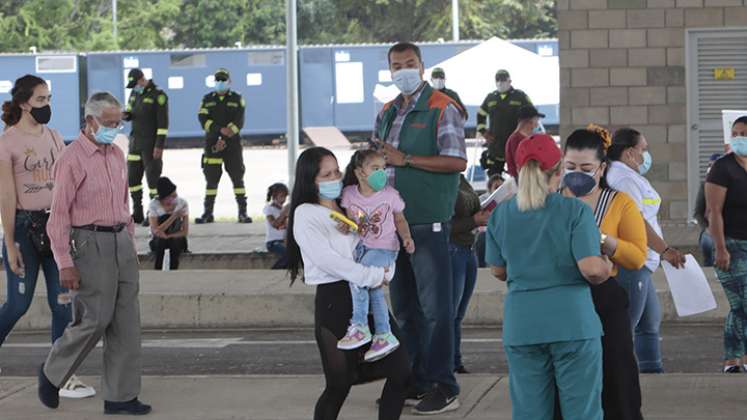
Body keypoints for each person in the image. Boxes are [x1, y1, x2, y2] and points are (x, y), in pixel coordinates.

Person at [38, 92, 150, 415]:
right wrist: (64, 263)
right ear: (90, 120)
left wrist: (130, 243)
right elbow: (57, 216)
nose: (114, 129)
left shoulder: (116, 155)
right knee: (94, 318)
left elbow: (124, 204)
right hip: (90, 242)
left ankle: (121, 396)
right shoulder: (71, 159)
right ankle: (52, 373)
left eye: (118, 123)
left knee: (127, 323)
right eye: (109, 123)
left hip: (120, 242)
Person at [486, 133, 611, 420]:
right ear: (558, 172)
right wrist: (606, 263)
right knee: (583, 413)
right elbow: (591, 269)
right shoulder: (574, 210)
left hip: (522, 325)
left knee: (529, 412)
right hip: (572, 324)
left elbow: (498, 270)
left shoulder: (501, 215)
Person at [374, 41, 467, 415]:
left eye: (409, 64)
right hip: (392, 226)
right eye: (397, 65)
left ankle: (444, 385)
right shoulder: (386, 111)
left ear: (423, 66)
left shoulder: (442, 108)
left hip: (427, 221)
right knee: (406, 310)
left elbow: (457, 161)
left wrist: (406, 159)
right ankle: (413, 379)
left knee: (435, 309)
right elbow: (378, 160)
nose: (403, 71)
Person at [285, 147, 410, 420]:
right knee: (339, 385)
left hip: (368, 294)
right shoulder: (307, 213)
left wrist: (386, 268)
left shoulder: (348, 204)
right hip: (336, 299)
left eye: (337, 171)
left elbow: (380, 237)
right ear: (310, 180)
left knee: (402, 371)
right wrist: (375, 276)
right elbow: (329, 260)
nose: (335, 178)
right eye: (326, 174)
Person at [0, 75, 95, 399]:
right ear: (25, 103)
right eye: (41, 100)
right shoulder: (8, 142)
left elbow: (68, 182)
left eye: (49, 99)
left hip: (56, 230)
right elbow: (7, 196)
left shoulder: (55, 137)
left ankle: (61, 376)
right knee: (18, 305)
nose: (47, 106)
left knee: (63, 305)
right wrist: (10, 243)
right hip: (24, 231)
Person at [558, 126, 646, 420]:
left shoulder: (619, 202)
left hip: (603, 298)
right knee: (564, 378)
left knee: (616, 372)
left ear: (602, 167)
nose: (577, 174)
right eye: (570, 167)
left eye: (586, 168)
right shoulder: (550, 201)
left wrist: (601, 240)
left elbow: (636, 256)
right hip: (560, 298)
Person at [606, 127, 686, 374]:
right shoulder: (624, 180)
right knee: (625, 327)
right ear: (630, 153)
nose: (646, 154)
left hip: (643, 261)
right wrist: (665, 250)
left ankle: (652, 372)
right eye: (644, 149)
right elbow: (637, 222)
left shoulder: (629, 177)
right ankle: (615, 376)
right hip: (633, 260)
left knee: (649, 322)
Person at [336, 149, 414, 362]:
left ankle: (360, 325)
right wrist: (345, 226)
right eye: (375, 168)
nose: (382, 173)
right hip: (362, 248)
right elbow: (350, 220)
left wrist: (406, 237)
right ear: (360, 173)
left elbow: (400, 220)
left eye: (384, 168)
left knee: (359, 279)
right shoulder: (349, 194)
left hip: (384, 249)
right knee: (374, 291)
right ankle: (384, 334)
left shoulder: (390, 195)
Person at [706, 115, 747, 373]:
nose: (739, 138)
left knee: (739, 306)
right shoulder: (723, 168)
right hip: (731, 244)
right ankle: (734, 358)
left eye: (744, 133)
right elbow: (714, 211)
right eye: (736, 133)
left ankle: (734, 359)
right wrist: (720, 248)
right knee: (743, 303)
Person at [195, 68, 251, 224]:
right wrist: (219, 131)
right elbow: (203, 119)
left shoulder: (237, 98)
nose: (220, 83)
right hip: (212, 144)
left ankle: (242, 213)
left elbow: (239, 121)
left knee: (237, 178)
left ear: (229, 82)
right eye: (217, 80)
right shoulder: (207, 99)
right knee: (211, 179)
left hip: (232, 144)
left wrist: (226, 136)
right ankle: (208, 213)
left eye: (223, 80)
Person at [450, 175, 490, 374]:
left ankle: (455, 361)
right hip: (453, 250)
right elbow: (442, 226)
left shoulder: (460, 178)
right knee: (449, 313)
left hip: (467, 249)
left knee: (457, 315)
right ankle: (449, 362)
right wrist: (474, 220)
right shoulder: (440, 182)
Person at [476, 69, 532, 177]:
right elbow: (481, 114)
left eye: (503, 80)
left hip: (515, 145)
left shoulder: (520, 96)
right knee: (494, 179)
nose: (500, 83)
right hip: (495, 147)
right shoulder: (490, 98)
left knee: (519, 177)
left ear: (509, 81)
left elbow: (531, 114)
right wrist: (483, 131)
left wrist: (525, 132)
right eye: (497, 80)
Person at [147, 177, 188, 270]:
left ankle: (173, 272)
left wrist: (169, 236)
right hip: (159, 239)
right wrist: (173, 217)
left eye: (175, 196)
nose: (173, 200)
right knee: (161, 242)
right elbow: (155, 230)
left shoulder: (182, 203)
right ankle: (158, 271)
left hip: (176, 237)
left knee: (174, 243)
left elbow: (185, 232)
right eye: (170, 197)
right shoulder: (154, 205)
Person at [693, 153, 721, 267]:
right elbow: (698, 213)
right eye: (711, 165)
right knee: (708, 242)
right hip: (710, 229)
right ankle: (710, 269)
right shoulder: (704, 186)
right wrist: (707, 228)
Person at [505, 105, 545, 178]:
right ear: (529, 121)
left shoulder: (530, 138)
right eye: (536, 119)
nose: (538, 121)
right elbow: (520, 164)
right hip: (522, 182)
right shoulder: (516, 139)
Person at [475, 175, 504, 268]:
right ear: (490, 189)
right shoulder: (482, 200)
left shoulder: (509, 200)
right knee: (482, 238)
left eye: (501, 188)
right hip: (486, 231)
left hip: (503, 230)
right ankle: (481, 267)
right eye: (496, 187)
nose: (499, 190)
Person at [264, 182, 289, 270]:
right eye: (281, 196)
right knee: (289, 254)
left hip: (284, 241)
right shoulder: (269, 208)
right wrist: (284, 213)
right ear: (274, 196)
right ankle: (274, 270)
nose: (284, 199)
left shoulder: (283, 209)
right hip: (273, 242)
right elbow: (274, 224)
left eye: (285, 197)